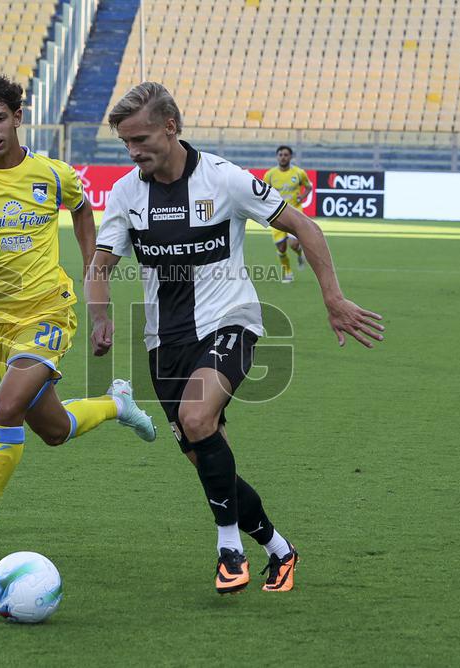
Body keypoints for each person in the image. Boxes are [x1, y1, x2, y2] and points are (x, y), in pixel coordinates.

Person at [86, 83, 384, 594]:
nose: (132, 151)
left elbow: (305, 227)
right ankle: (279, 548)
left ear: (170, 127)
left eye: (140, 139)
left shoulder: (224, 179)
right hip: (164, 343)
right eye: (126, 142)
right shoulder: (126, 193)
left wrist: (333, 297)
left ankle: (229, 549)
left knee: (196, 417)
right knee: (206, 458)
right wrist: (99, 316)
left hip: (231, 321)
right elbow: (100, 265)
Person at [0, 75, 157, 557]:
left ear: (17, 118)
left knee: (5, 409)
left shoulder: (51, 173)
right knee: (53, 430)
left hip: (49, 310)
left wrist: (92, 275)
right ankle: (117, 405)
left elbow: (82, 208)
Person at [262, 145, 310, 283]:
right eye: (281, 155)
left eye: (286, 155)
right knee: (281, 248)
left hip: (295, 212)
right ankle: (287, 272)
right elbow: (263, 192)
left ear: (290, 157)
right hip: (276, 214)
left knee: (293, 244)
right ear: (277, 157)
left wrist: (302, 196)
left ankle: (299, 253)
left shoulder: (299, 173)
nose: (283, 157)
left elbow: (308, 187)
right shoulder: (270, 175)